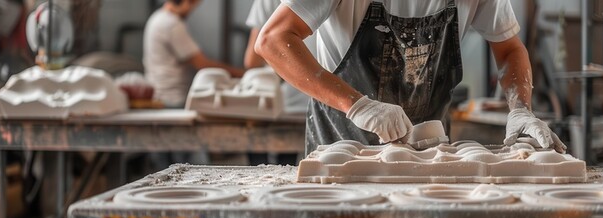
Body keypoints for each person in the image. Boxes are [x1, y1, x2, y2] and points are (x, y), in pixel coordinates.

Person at [255, 0, 567, 154]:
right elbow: (273, 40)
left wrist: (520, 109)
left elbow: (510, 49)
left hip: (429, 153)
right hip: (343, 150)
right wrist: (359, 105)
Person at [243, 0, 313, 165]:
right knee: (288, 168)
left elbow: (252, 60)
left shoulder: (266, 2)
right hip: (320, 101)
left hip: (283, 104)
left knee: (260, 169)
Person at [143, 0, 244, 108]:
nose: (192, 10)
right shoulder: (172, 24)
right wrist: (241, 74)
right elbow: (202, 64)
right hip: (174, 99)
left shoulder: (157, 17)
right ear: (186, 2)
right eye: (193, 5)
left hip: (160, 95)